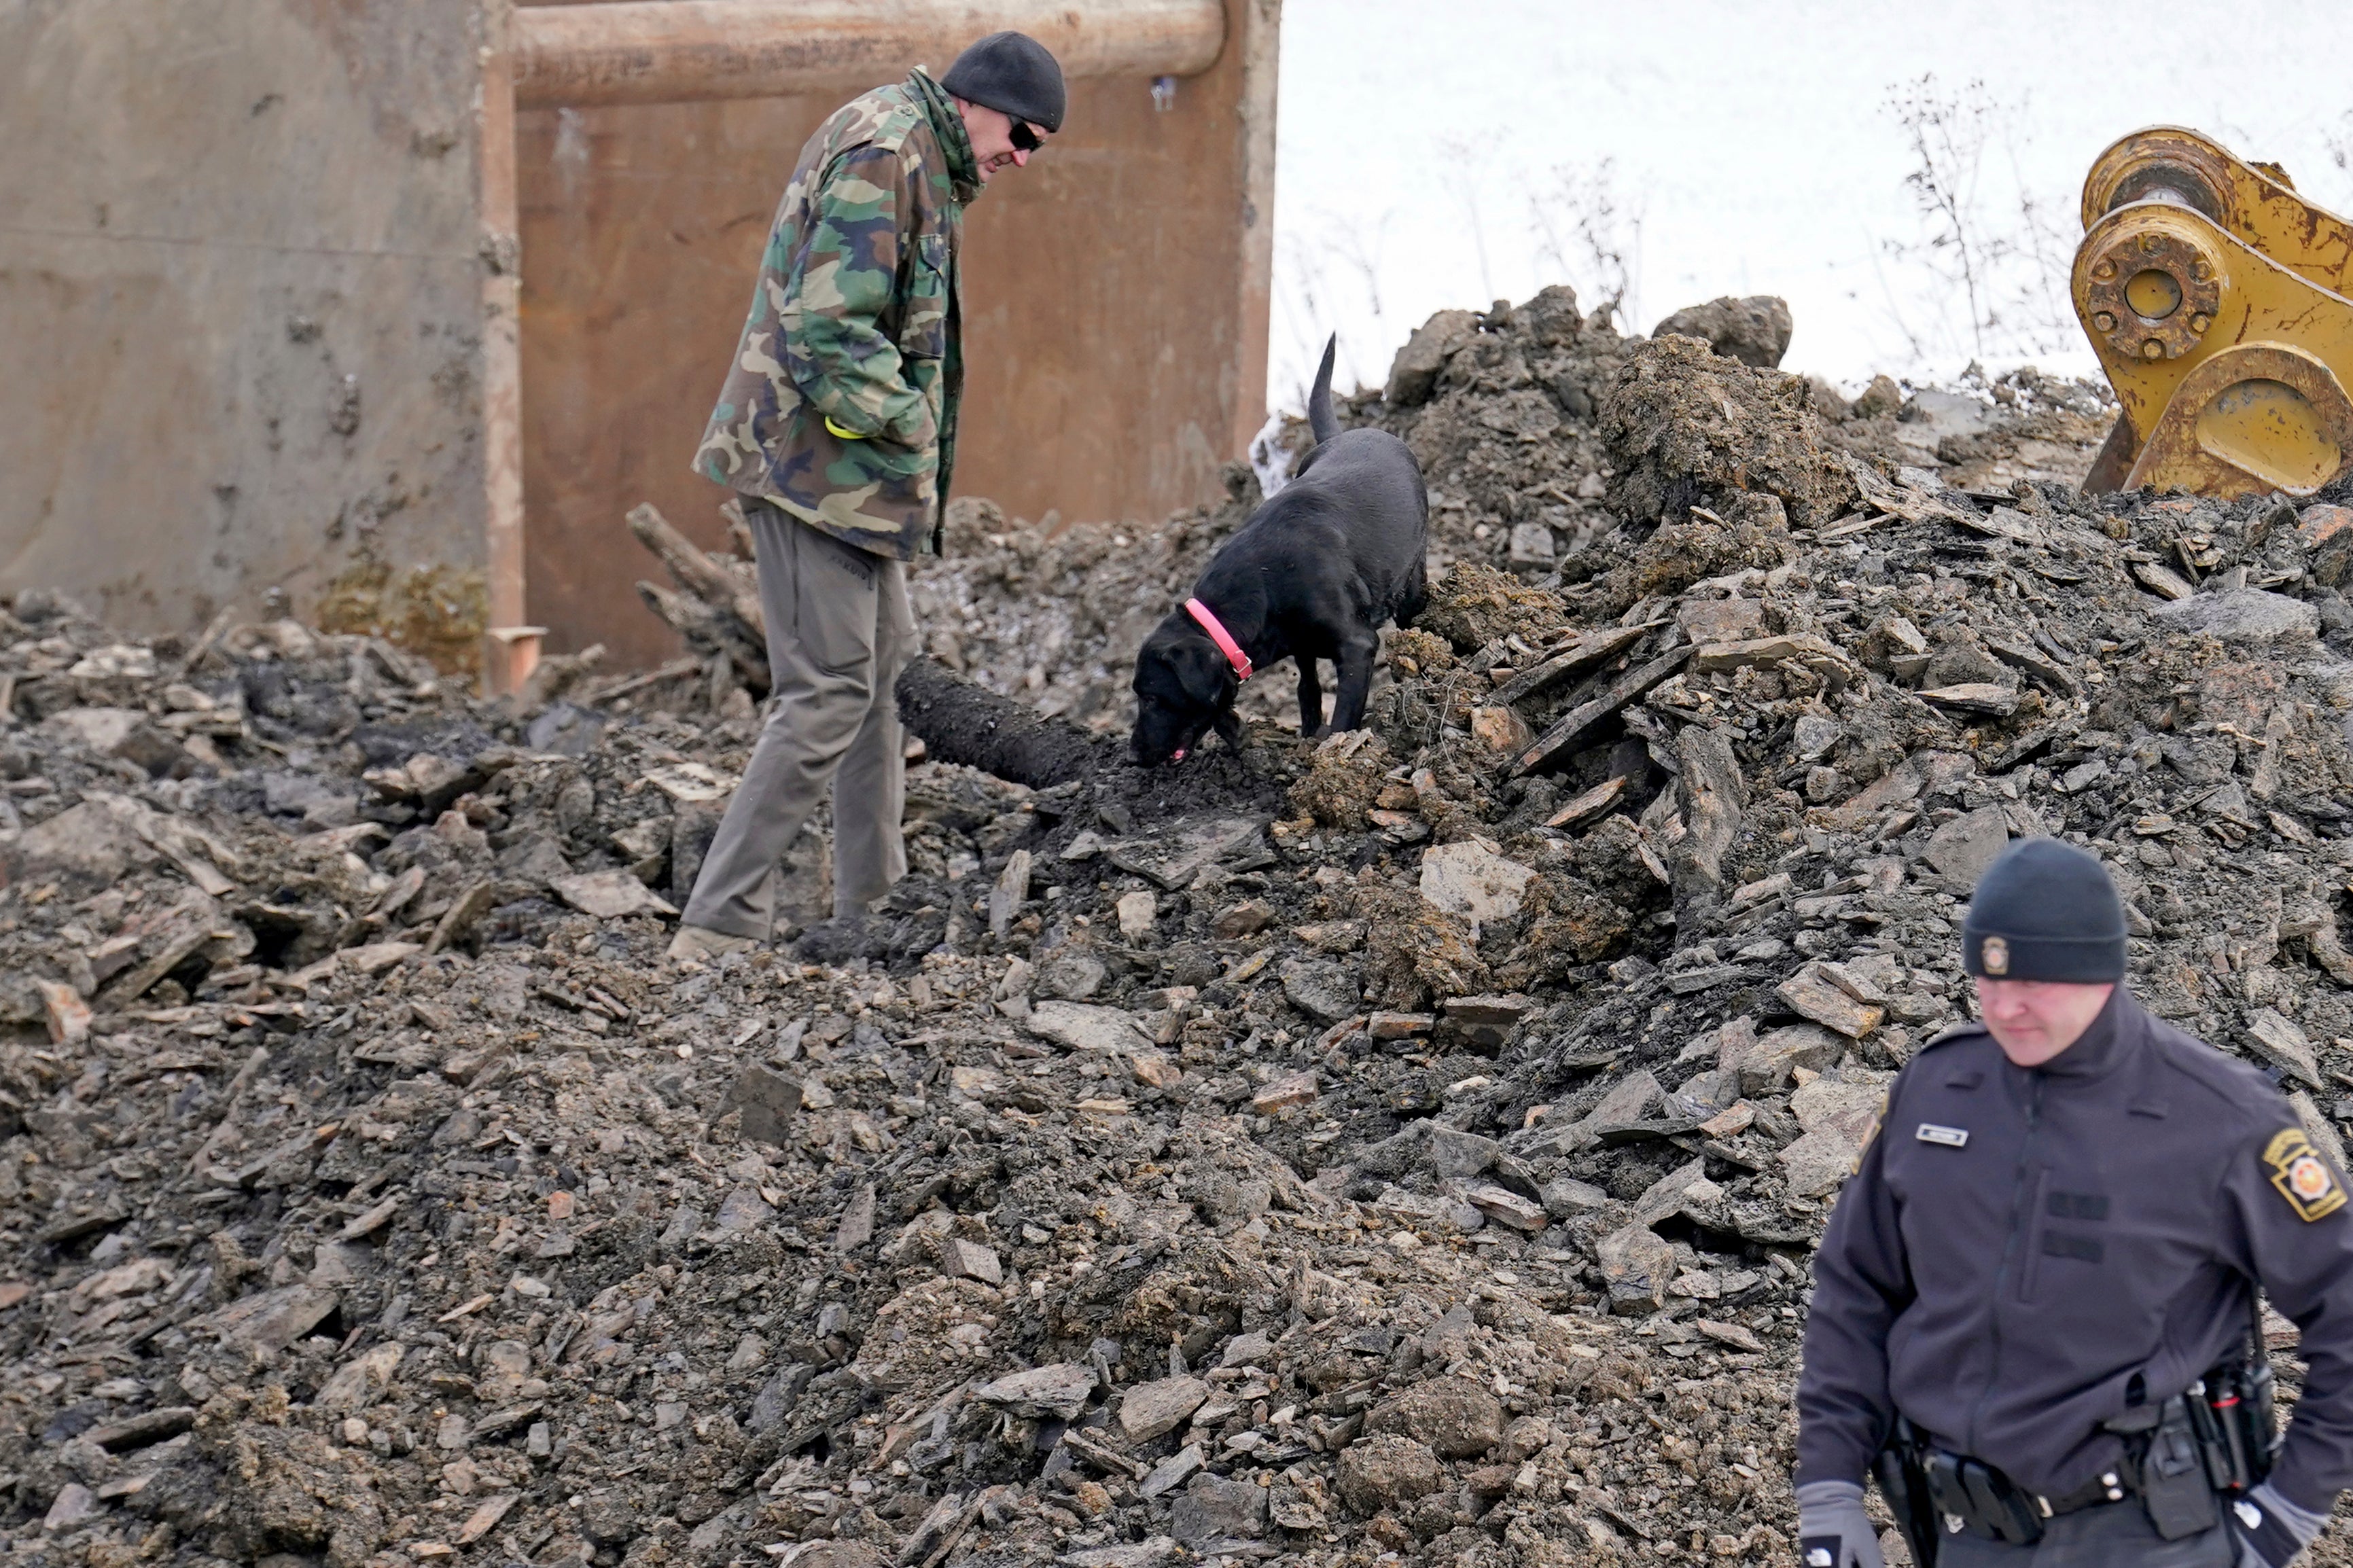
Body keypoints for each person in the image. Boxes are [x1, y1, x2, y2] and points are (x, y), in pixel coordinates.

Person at [1795, 838, 2353, 1567]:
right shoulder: (1938, 1087)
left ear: (2101, 972)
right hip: (1968, 1534)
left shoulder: (2220, 1118)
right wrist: (1830, 1487)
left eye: (2033, 982)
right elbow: (1855, 1289)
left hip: (2157, 1538)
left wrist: (2286, 1513)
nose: (2006, 1007)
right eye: (1988, 981)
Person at [667, 32, 1062, 962]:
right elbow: (827, 327)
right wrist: (907, 420)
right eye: (1022, 136)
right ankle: (717, 928)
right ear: (976, 102)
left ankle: (870, 910)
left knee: (880, 682)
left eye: (1037, 146)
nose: (1021, 158)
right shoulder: (888, 150)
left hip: (848, 484)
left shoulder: (922, 155)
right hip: (808, 474)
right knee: (829, 691)